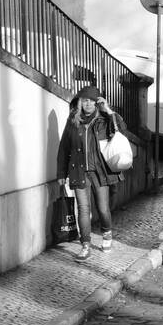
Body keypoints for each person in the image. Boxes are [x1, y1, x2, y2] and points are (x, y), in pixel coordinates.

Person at [56, 86, 126, 261]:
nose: (88, 103)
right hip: (78, 172)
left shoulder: (104, 119)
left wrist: (108, 111)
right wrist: (61, 173)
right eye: (84, 100)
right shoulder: (73, 120)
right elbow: (64, 148)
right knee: (83, 209)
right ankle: (85, 245)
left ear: (97, 102)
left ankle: (107, 233)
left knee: (103, 208)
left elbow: (122, 129)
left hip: (99, 172)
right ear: (80, 102)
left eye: (91, 100)